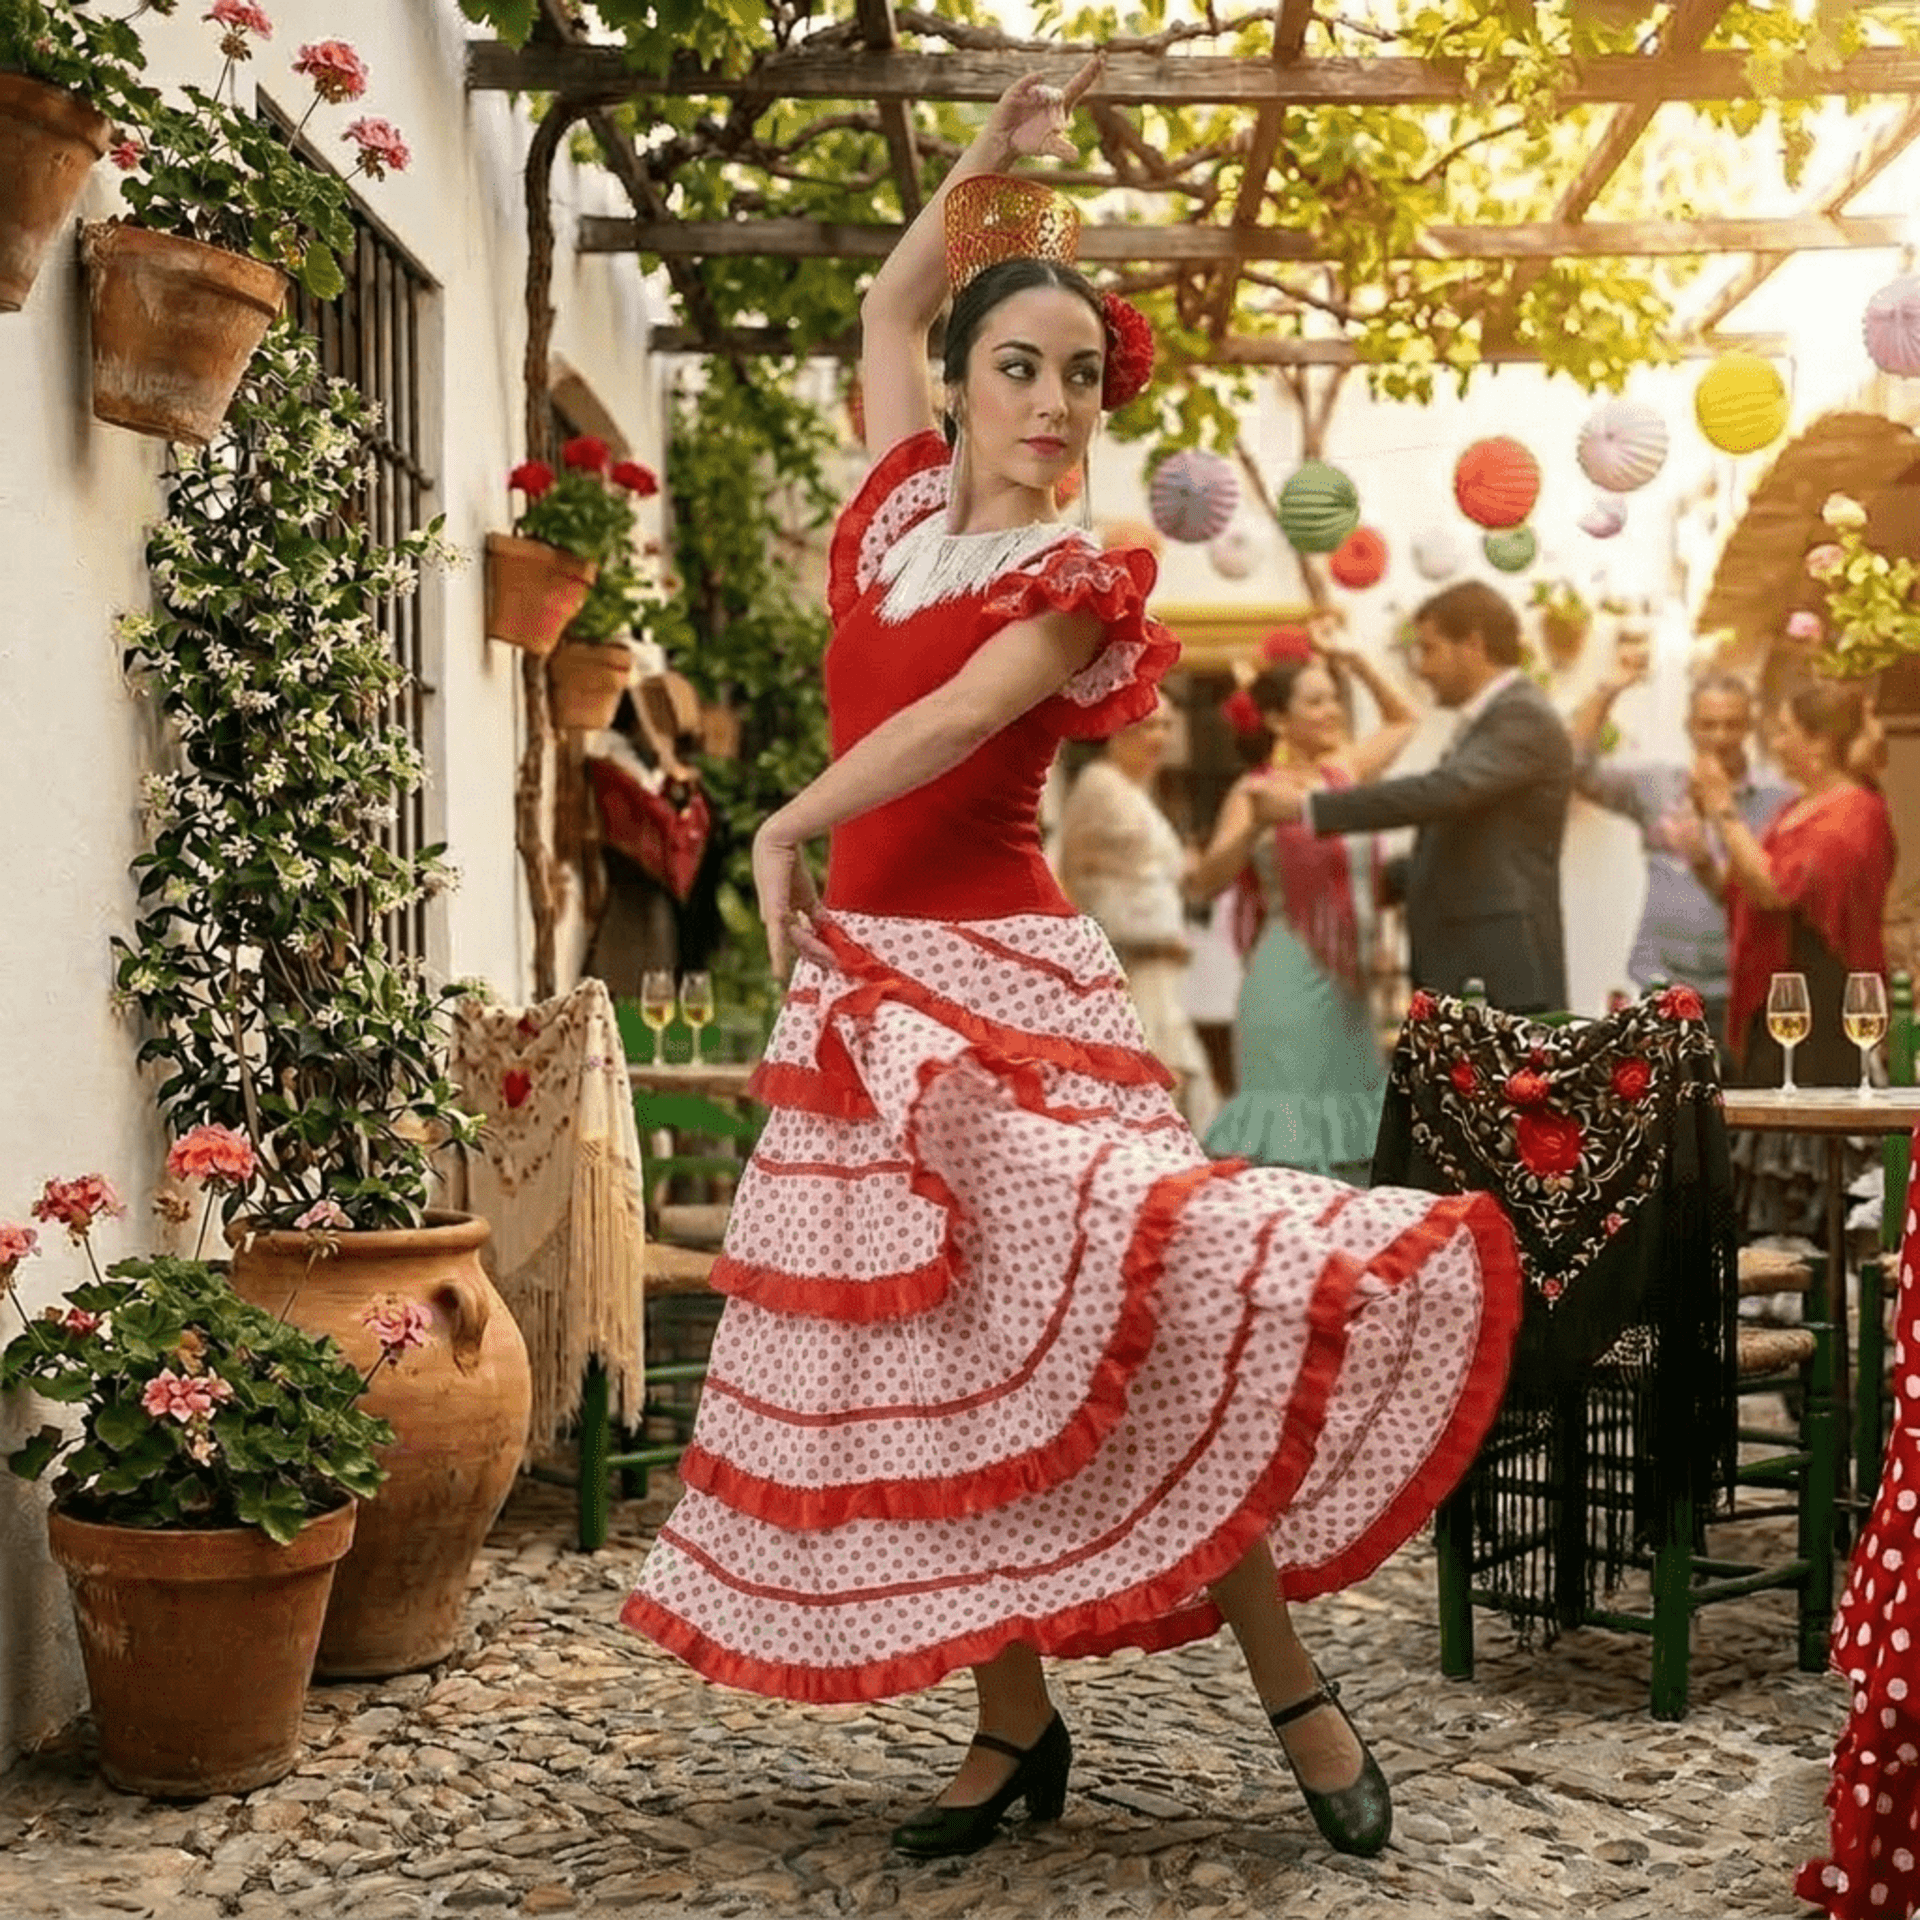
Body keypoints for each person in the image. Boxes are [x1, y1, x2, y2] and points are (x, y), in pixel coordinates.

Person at [620, 63, 1521, 1868]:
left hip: (1009, 997)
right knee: (953, 1367)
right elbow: (891, 296)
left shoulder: (1082, 574)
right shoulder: (887, 509)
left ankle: (1295, 1692)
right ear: (955, 385)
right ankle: (1012, 1724)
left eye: (1081, 376)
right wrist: (984, 162)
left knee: (1146, 1319)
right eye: (1016, 365)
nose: (1049, 401)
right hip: (865, 1004)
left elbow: (956, 719)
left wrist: (781, 824)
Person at [1263, 580, 1574, 1014]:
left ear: (1473, 645)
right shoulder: (1492, 719)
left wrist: (1309, 807)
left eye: (1428, 650)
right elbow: (1468, 848)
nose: (1422, 669)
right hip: (1475, 966)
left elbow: (1445, 791)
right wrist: (1362, 875)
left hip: (1500, 971)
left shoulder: (1522, 715)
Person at [1189, 630, 1415, 1179]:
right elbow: (1204, 883)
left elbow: (1405, 718)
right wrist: (1256, 827)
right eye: (1315, 701)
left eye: (1333, 697)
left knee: (1356, 1148)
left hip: (1351, 989)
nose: (1332, 709)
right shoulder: (1255, 791)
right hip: (1288, 980)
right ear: (1276, 722)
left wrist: (1355, 656)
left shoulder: (1346, 776)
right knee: (1290, 1152)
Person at [1568, 648, 1789, 1057]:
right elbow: (1576, 769)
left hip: (1744, 987)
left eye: (1732, 725)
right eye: (1708, 725)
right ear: (1690, 727)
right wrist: (1609, 688)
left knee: (1744, 1113)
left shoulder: (1779, 799)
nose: (1720, 737)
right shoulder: (1657, 785)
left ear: (1749, 727)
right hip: (1662, 983)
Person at [1693, 680, 1896, 1087]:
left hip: (1824, 1005)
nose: (1775, 741)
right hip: (1775, 1001)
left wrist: (1723, 809)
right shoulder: (1796, 807)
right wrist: (1700, 857)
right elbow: (1745, 887)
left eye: (1785, 730)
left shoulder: (1856, 811)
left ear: (1818, 743)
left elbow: (1777, 889)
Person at [1055, 694, 1220, 1132]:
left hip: (1161, 967)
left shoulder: (1136, 791)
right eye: (1145, 726)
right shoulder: (1098, 784)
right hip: (1131, 967)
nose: (1158, 738)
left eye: (1165, 726)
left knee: (1179, 1089)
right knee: (1155, 1091)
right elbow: (1072, 880)